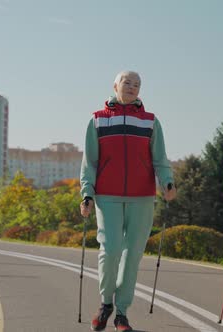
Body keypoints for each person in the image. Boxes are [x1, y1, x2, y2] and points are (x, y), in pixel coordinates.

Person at [80, 71, 176, 331]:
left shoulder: (150, 122)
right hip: (107, 197)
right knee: (109, 251)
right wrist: (86, 193)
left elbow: (160, 159)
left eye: (137, 84)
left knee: (132, 256)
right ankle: (105, 303)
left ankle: (122, 313)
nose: (132, 87)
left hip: (142, 198)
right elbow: (90, 162)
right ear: (115, 86)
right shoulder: (98, 121)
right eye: (127, 83)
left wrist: (167, 182)